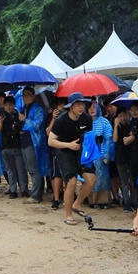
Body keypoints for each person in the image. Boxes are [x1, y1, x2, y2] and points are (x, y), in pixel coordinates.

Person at [48, 92, 95, 225]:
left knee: (91, 179)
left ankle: (77, 203)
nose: (82, 107)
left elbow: (88, 137)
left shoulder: (86, 118)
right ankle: (68, 214)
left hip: (80, 152)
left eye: (83, 104)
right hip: (64, 152)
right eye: (78, 104)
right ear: (71, 106)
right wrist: (68, 145)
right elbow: (51, 141)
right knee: (72, 182)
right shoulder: (61, 120)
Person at [19, 86, 48, 204]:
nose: (26, 97)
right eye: (24, 95)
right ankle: (35, 191)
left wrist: (25, 119)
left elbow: (37, 125)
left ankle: (36, 195)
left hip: (34, 142)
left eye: (28, 94)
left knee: (34, 169)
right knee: (29, 168)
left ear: (34, 95)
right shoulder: (23, 108)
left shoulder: (38, 109)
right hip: (24, 141)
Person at [0, 95, 27, 199]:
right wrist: (0, 121)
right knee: (10, 170)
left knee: (20, 169)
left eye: (11, 105)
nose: (9, 107)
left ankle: (24, 189)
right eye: (7, 105)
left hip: (17, 145)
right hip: (6, 146)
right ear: (4, 106)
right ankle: (13, 190)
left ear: (14, 105)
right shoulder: (2, 116)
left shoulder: (18, 115)